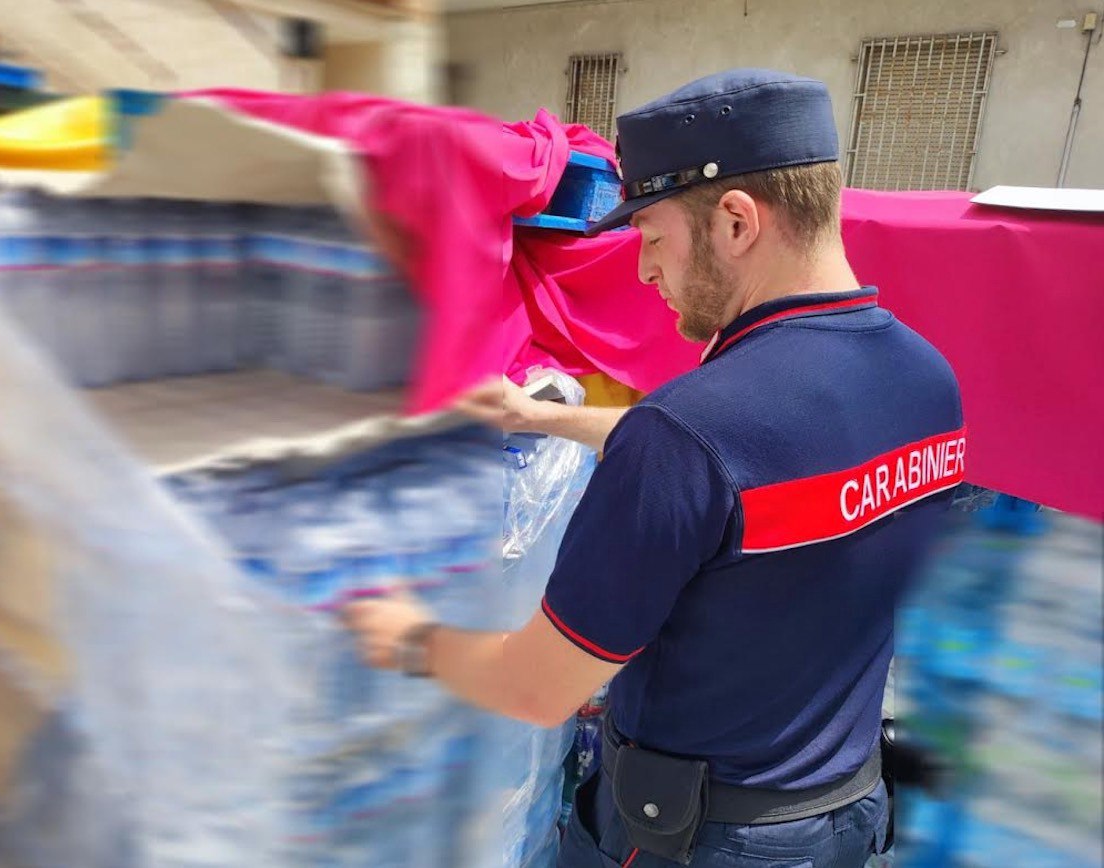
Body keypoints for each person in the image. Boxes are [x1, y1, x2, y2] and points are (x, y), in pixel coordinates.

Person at [343, 68, 965, 867]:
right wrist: (543, 417)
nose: (644, 269)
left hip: (695, 839)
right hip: (842, 814)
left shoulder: (687, 434)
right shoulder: (925, 378)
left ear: (737, 222)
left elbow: (538, 689)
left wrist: (406, 638)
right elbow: (746, 477)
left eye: (654, 236)